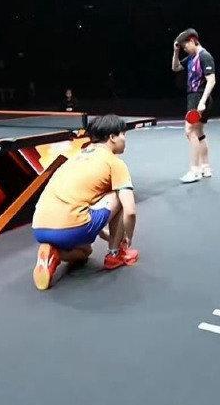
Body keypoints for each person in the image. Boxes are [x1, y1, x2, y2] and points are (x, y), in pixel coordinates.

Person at [31, 114, 139, 290]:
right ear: (112, 137)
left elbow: (79, 202)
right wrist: (128, 239)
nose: (125, 139)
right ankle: (115, 254)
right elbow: (130, 211)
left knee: (85, 252)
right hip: (73, 228)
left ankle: (54, 252)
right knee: (119, 194)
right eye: (123, 135)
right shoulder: (114, 163)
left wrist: (106, 234)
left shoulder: (74, 158)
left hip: (39, 227)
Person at [171, 28, 216, 183]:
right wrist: (176, 52)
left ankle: (194, 171)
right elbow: (175, 68)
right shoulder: (191, 57)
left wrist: (202, 101)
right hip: (194, 97)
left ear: (192, 40)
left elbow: (211, 80)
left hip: (199, 97)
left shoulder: (204, 56)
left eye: (185, 46)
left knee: (190, 131)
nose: (184, 49)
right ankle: (205, 167)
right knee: (199, 132)